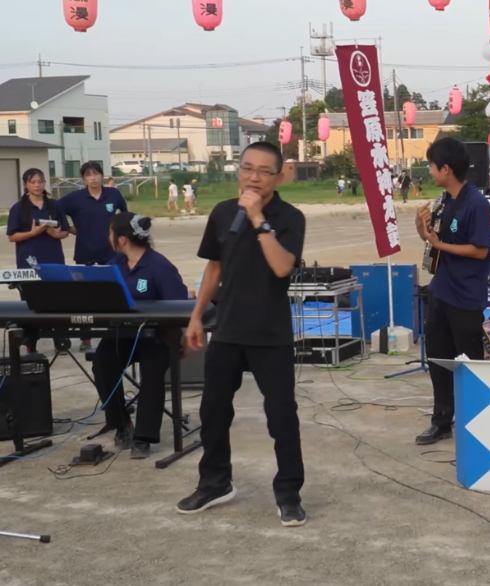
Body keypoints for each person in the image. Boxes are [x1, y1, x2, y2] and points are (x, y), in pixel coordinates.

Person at [176, 142, 308, 527]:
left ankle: (289, 494)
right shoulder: (221, 214)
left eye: (264, 171)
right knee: (213, 410)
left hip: (271, 333)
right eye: (247, 168)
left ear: (279, 176)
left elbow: (282, 267)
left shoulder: (290, 217)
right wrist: (197, 316)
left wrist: (257, 218)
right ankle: (215, 482)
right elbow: (214, 269)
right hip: (228, 328)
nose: (253, 177)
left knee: (281, 416)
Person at [414, 137, 490, 446]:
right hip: (442, 289)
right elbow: (433, 244)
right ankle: (441, 420)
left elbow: (479, 250)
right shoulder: (443, 201)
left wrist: (439, 244)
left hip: (466, 295)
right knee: (438, 358)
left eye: (432, 167)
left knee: (469, 360)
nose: (430, 172)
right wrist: (423, 229)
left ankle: (478, 420)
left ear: (446, 168)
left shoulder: (476, 204)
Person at [92, 212, 188, 458]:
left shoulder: (160, 266)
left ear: (122, 239)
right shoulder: (114, 266)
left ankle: (144, 437)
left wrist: (185, 336)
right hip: (121, 333)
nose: (109, 238)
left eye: (111, 233)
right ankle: (122, 425)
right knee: (103, 362)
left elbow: (180, 306)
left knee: (153, 373)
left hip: (157, 336)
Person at [60, 161, 129, 352]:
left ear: (102, 175)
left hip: (112, 254)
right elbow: (56, 211)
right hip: (85, 253)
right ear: (83, 178)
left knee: (114, 295)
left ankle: (113, 333)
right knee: (85, 297)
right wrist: (71, 229)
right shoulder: (75, 198)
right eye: (88, 175)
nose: (93, 178)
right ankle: (86, 337)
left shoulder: (113, 194)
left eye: (96, 173)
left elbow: (126, 215)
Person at [6, 168, 70, 357]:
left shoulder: (55, 206)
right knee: (31, 302)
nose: (37, 185)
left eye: (40, 181)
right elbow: (12, 236)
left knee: (57, 300)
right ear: (26, 184)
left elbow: (65, 230)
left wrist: (56, 234)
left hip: (53, 258)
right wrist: (32, 234)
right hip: (29, 261)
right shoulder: (18, 208)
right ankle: (30, 343)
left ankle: (60, 340)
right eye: (33, 182)